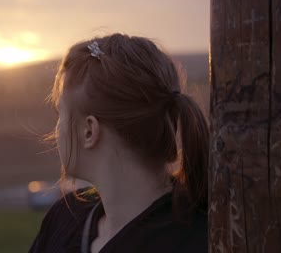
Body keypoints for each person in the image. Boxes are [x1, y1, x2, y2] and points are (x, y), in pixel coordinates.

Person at [29, 33, 208, 253]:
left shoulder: (199, 242)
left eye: (61, 114)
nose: (56, 130)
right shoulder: (63, 221)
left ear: (89, 131)